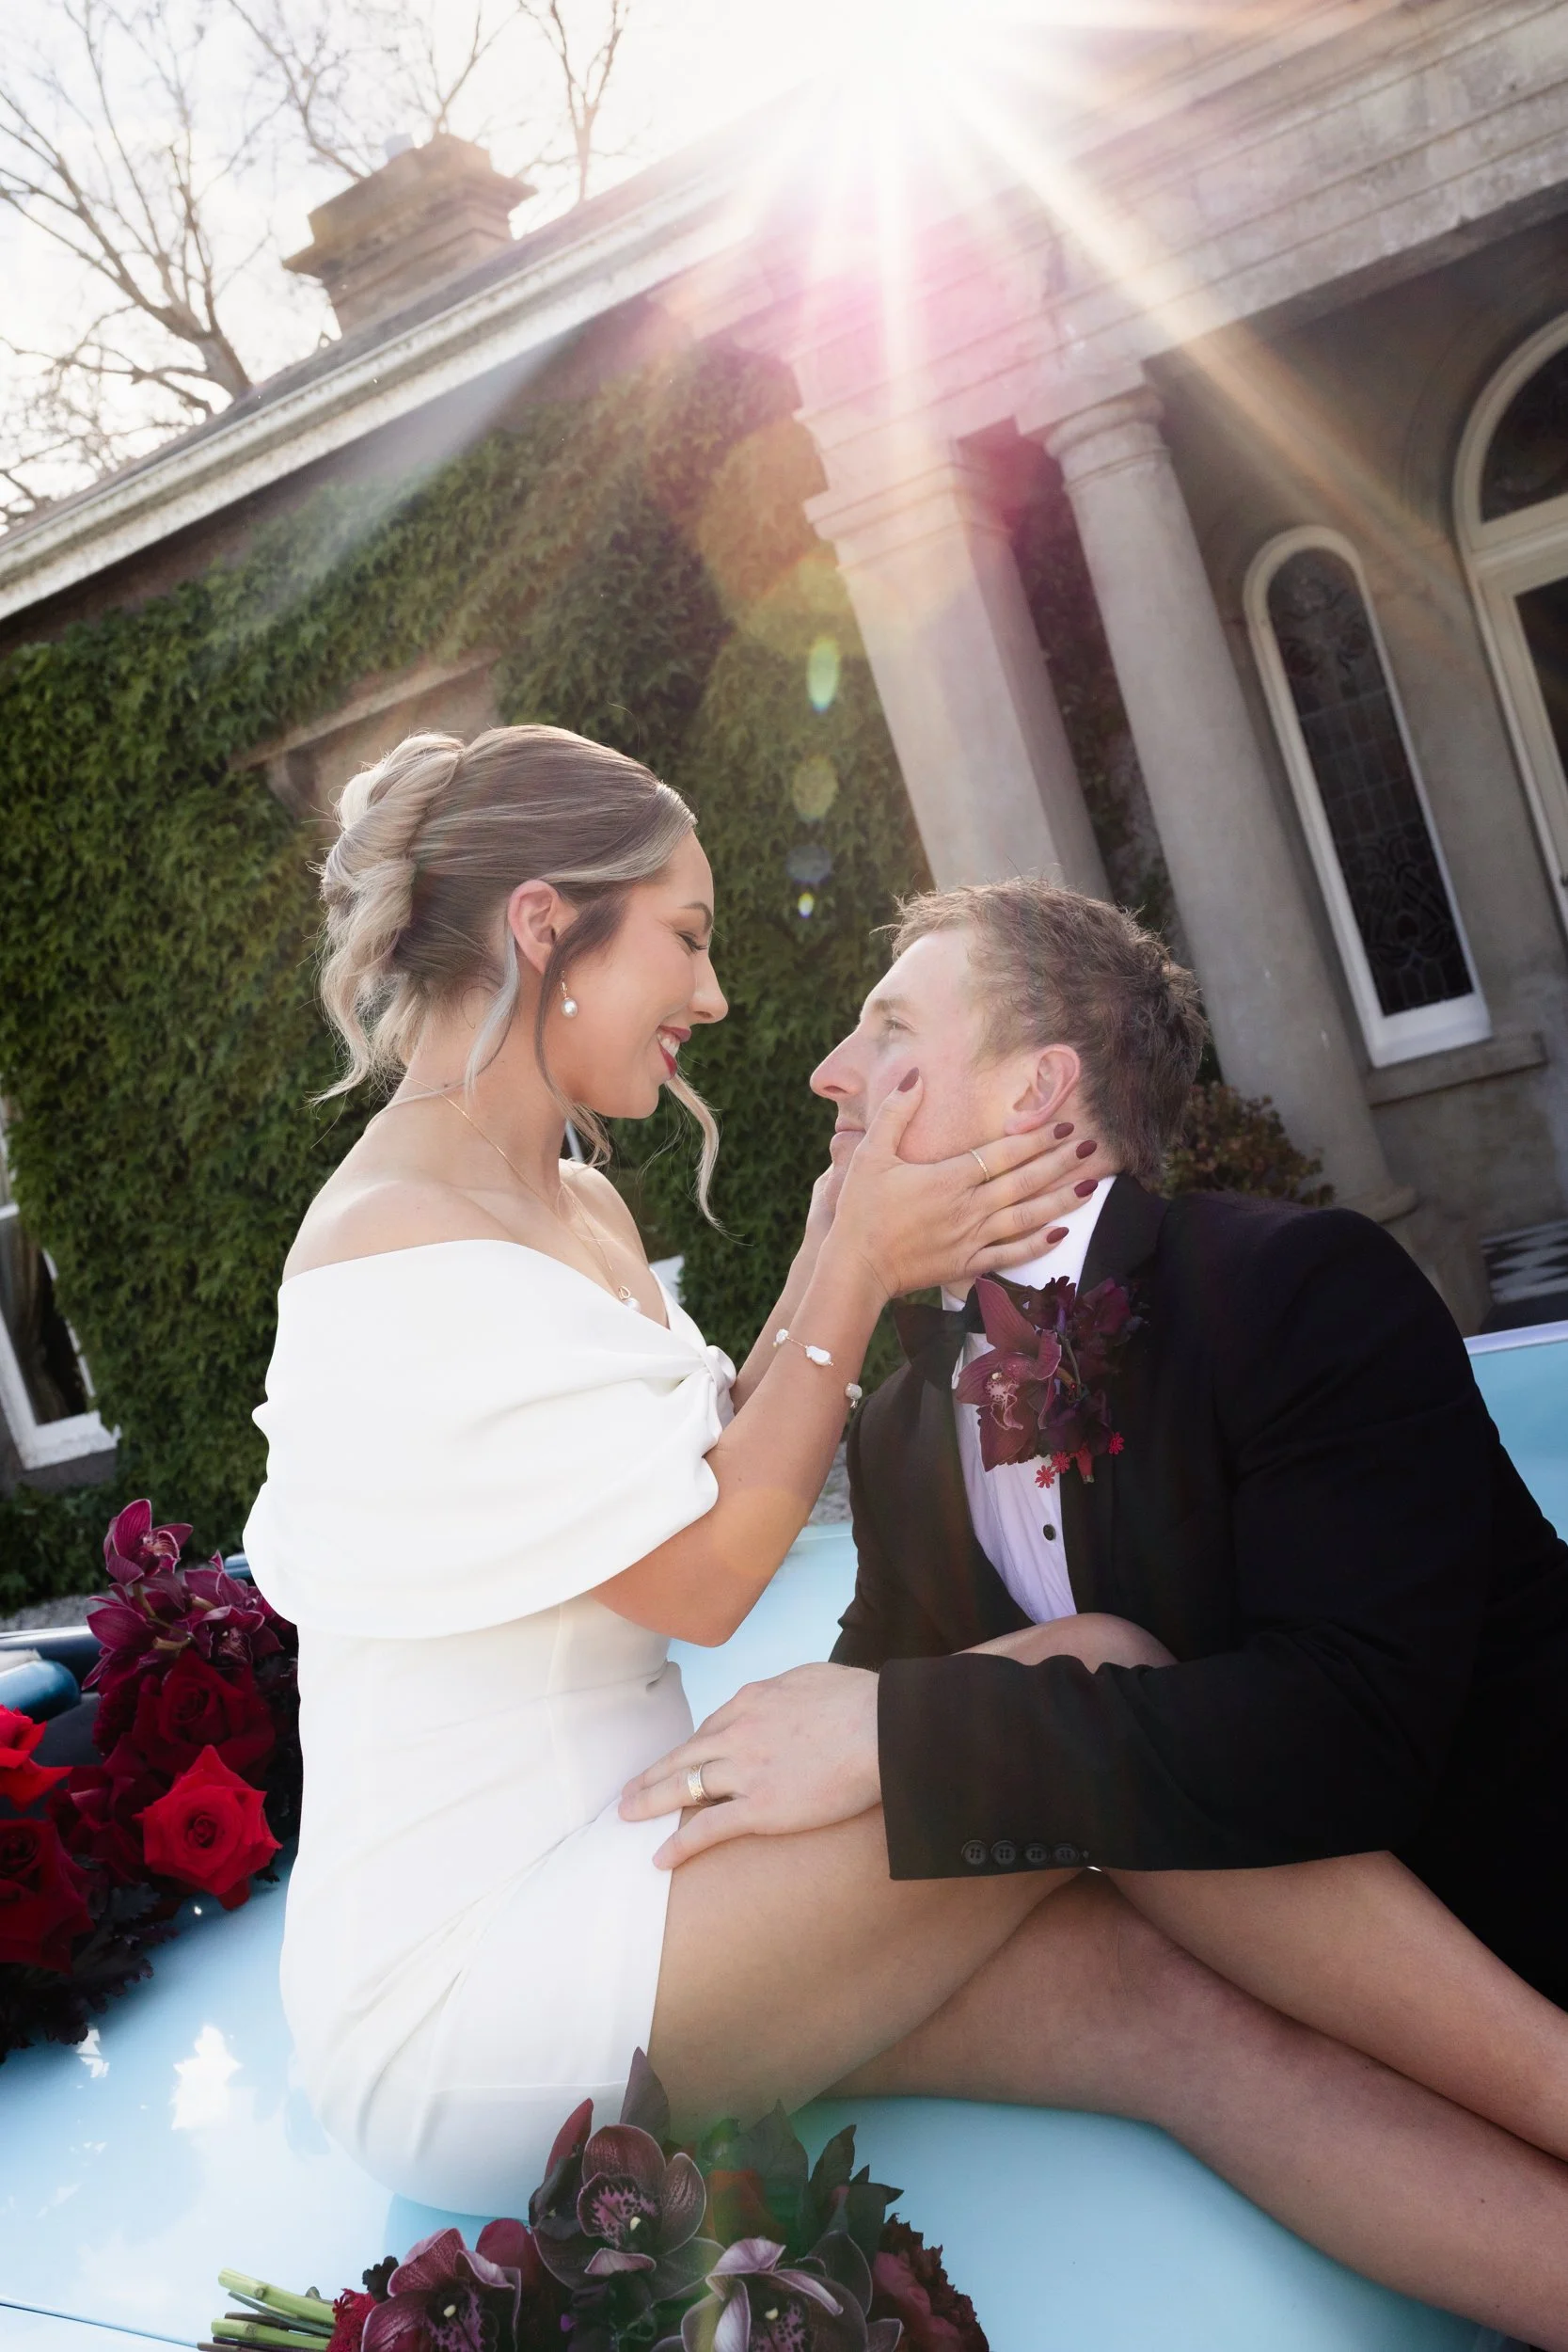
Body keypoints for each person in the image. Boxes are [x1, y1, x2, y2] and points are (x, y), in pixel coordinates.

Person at [251, 728, 1568, 2344]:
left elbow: (725, 1481)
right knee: (1087, 1678)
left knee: (1164, 2014)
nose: (721, 1000)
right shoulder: (393, 1244)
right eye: (685, 931)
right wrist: (857, 1264)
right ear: (544, 928)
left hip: (634, 1853)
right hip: (484, 1965)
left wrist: (845, 1270)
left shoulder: (582, 1207)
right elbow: (712, 1573)